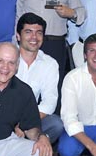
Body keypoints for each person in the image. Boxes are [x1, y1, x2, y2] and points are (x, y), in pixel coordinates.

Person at [16, 0, 86, 110]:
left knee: (53, 88)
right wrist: (16, 44)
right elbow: (18, 17)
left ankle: (51, 130)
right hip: (28, 45)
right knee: (25, 86)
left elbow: (81, 13)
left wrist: (70, 13)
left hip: (54, 44)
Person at [15, 13, 65, 144]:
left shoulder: (50, 63)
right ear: (18, 36)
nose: (34, 37)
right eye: (28, 32)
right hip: (2, 118)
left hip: (32, 119)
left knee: (56, 124)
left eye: (39, 33)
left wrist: (23, 123)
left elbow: (49, 102)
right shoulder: (4, 57)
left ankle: (35, 150)